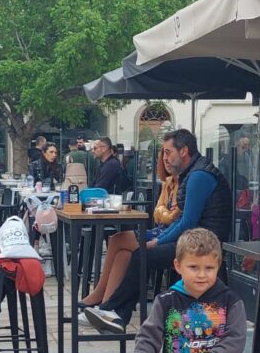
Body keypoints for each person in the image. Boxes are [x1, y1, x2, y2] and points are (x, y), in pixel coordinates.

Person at [84, 129, 231, 334]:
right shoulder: (195, 172)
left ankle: (115, 313)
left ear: (184, 151)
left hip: (204, 246)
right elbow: (183, 220)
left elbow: (187, 222)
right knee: (138, 253)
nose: (165, 158)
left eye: (168, 152)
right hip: (196, 240)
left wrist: (158, 242)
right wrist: (160, 238)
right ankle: (113, 312)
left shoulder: (199, 175)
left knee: (142, 255)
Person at [80, 150, 180, 310]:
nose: (165, 160)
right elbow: (157, 214)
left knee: (119, 240)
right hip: (162, 231)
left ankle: (102, 299)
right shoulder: (167, 183)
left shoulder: (182, 184)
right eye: (163, 156)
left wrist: (163, 215)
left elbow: (173, 217)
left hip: (167, 237)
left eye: (169, 154)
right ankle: (105, 306)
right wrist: (165, 214)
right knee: (122, 251)